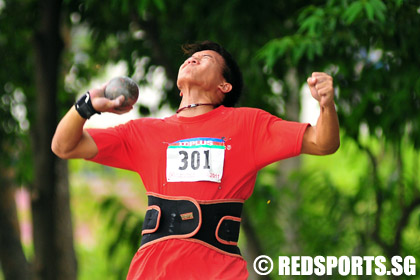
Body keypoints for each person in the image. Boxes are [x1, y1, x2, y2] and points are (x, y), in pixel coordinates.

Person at [52, 40, 340, 279]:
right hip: (149, 272)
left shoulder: (248, 124)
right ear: (178, 86)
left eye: (205, 58)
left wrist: (326, 105)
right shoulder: (145, 132)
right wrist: (87, 105)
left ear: (224, 86)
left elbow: (322, 142)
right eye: (190, 57)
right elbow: (64, 146)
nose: (192, 59)